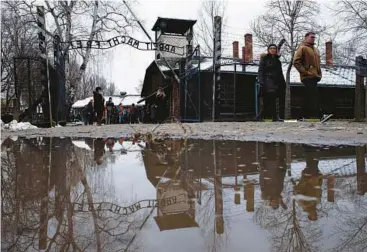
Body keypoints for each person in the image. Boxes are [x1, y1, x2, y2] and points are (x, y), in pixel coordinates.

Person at [293, 32, 332, 122]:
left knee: (309, 96)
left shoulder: (316, 50)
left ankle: (300, 116)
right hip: (307, 77)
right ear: (306, 38)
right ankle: (321, 115)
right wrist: (306, 72)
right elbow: (296, 62)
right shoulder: (302, 48)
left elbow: (317, 64)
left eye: (314, 37)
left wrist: (319, 74)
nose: (313, 39)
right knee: (314, 96)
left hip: (315, 76)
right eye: (311, 37)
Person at [257, 44, 286, 122]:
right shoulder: (264, 59)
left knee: (269, 99)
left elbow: (280, 73)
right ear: (268, 50)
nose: (273, 49)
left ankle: (262, 116)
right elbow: (261, 70)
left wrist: (283, 83)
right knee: (271, 97)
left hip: (276, 82)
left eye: (274, 48)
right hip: (267, 80)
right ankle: (273, 117)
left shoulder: (278, 61)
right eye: (271, 48)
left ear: (276, 50)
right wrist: (261, 81)